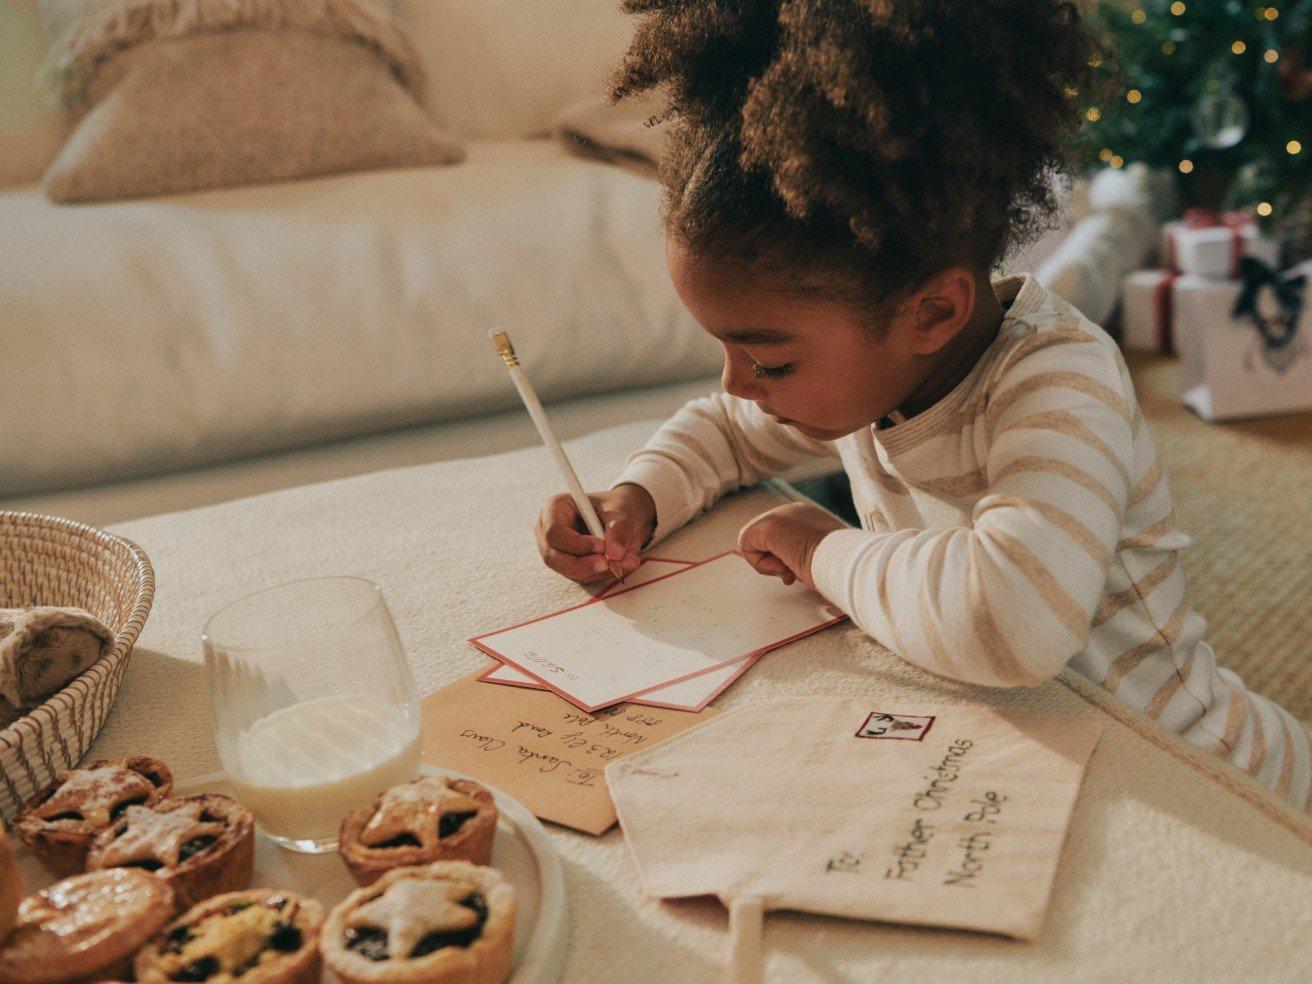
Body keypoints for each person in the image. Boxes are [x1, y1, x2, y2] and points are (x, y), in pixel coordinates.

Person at [534, 0, 1312, 812]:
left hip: (1209, 773)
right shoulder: (870, 374)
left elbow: (1010, 620)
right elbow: (728, 431)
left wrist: (820, 551)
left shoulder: (1059, 383)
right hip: (1042, 757)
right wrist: (638, 498)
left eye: (766, 359)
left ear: (932, 312)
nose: (737, 383)